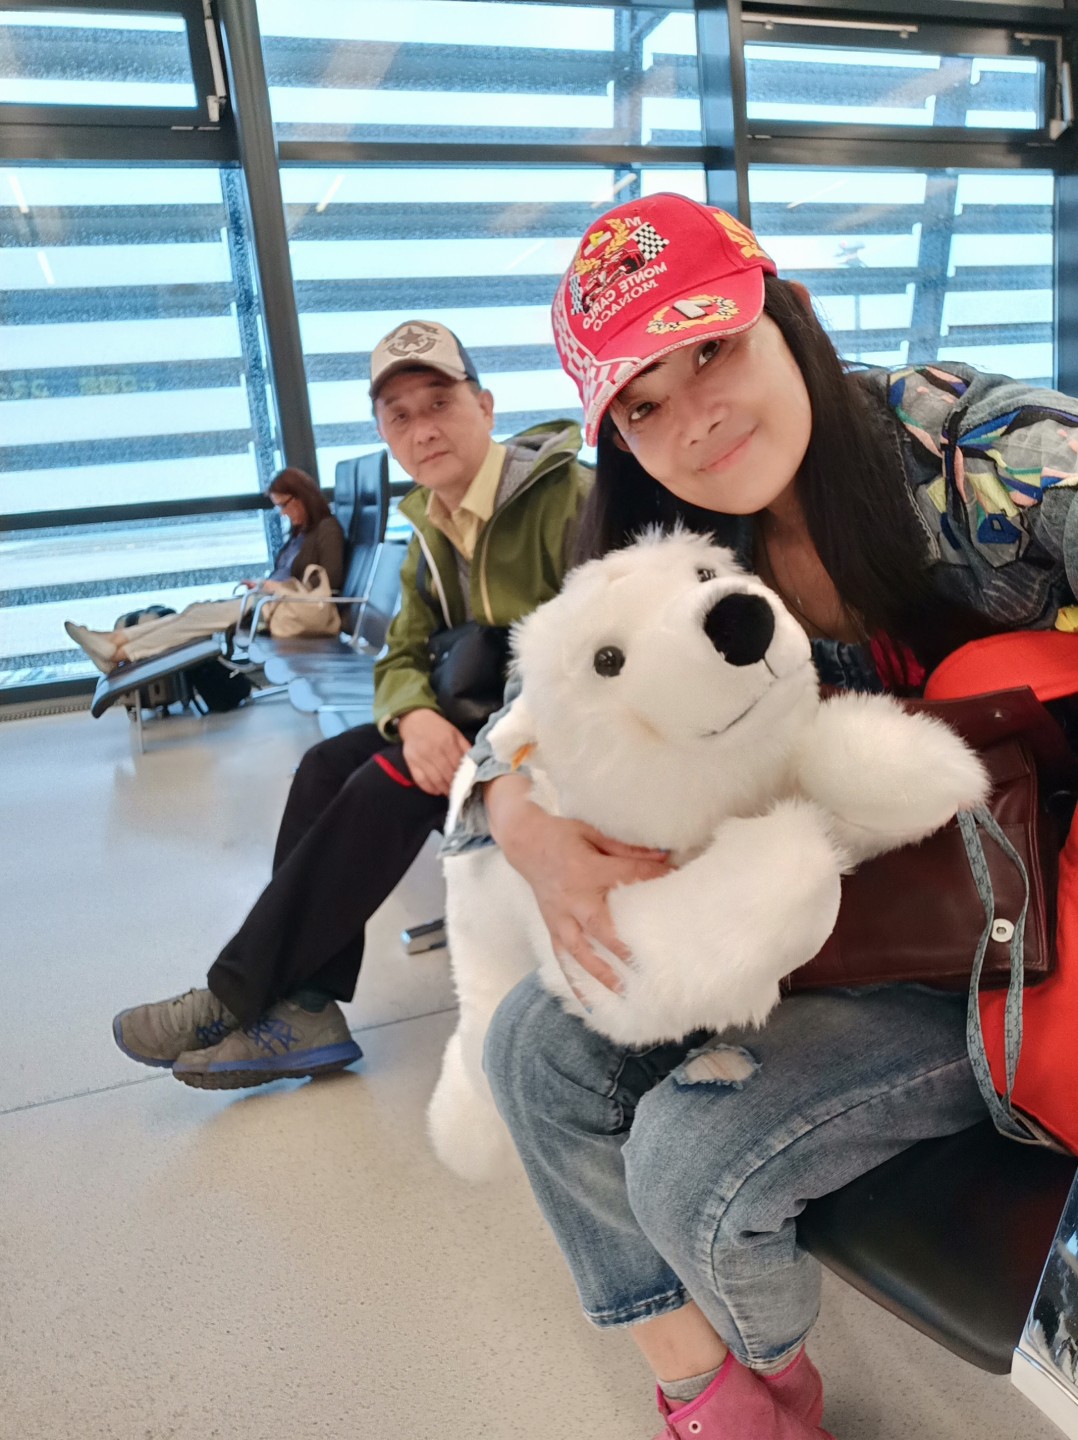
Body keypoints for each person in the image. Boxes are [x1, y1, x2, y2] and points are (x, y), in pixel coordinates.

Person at [451, 192, 1078, 1439]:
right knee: (529, 1048)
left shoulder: (972, 452)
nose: (694, 417)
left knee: (689, 1165)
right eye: (641, 405)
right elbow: (520, 720)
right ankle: (720, 1395)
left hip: (1016, 945)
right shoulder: (666, 541)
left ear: (782, 312)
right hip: (829, 915)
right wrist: (525, 826)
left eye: (711, 350)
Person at [111, 319, 590, 1089]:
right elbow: (402, 654)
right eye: (400, 416)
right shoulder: (431, 525)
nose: (423, 429)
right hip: (473, 726)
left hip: (557, 743)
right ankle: (306, 1005)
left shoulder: (570, 501)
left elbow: (601, 660)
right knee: (324, 768)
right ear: (384, 434)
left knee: (384, 782)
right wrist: (416, 716)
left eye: (439, 403)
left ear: (486, 406)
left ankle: (233, 996)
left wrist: (490, 745)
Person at [64, 468, 344, 672]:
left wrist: (274, 588)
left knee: (197, 617)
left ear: (302, 497)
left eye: (284, 505)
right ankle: (114, 643)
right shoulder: (298, 534)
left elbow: (329, 584)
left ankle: (118, 652)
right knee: (195, 612)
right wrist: (263, 585)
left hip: (286, 610)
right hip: (265, 603)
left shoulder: (327, 529)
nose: (282, 513)